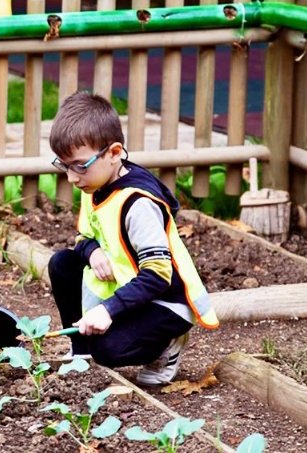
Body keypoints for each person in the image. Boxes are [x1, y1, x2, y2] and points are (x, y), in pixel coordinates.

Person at [46, 91, 219, 385]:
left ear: (114, 153)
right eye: (64, 166)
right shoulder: (94, 182)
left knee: (108, 349)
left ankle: (166, 345)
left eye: (79, 165)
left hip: (164, 301)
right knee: (62, 263)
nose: (71, 178)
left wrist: (108, 309)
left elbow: (157, 276)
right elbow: (83, 236)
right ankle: (81, 353)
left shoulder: (138, 204)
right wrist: (92, 251)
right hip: (127, 285)